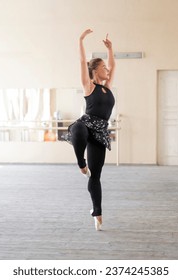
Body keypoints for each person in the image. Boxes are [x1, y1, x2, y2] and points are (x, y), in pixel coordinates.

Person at [67, 29, 116, 231]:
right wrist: (80, 40)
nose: (107, 70)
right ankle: (81, 163)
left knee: (95, 176)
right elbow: (81, 62)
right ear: (95, 71)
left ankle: (97, 212)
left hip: (100, 134)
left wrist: (110, 49)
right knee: (77, 128)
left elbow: (113, 66)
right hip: (86, 126)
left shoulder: (108, 87)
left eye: (106, 67)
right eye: (103, 67)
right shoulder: (89, 87)